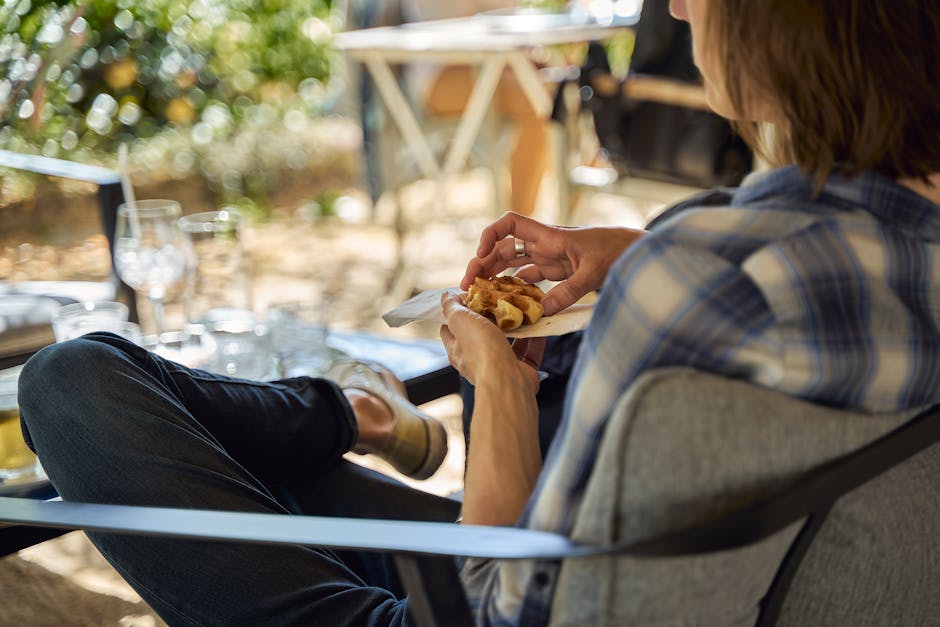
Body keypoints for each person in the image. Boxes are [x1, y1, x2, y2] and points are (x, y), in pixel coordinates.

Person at [18, 0, 940, 625]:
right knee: (151, 415)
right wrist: (641, 247)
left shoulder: (696, 274)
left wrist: (497, 382)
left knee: (70, 381)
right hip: (694, 577)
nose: (682, 8)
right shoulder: (889, 247)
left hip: (483, 597)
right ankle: (359, 414)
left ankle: (352, 413)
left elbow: (502, 596)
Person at [401, 0, 552, 217]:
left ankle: (571, 224)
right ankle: (519, 235)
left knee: (572, 86)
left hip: (496, 61)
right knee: (538, 101)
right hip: (441, 71)